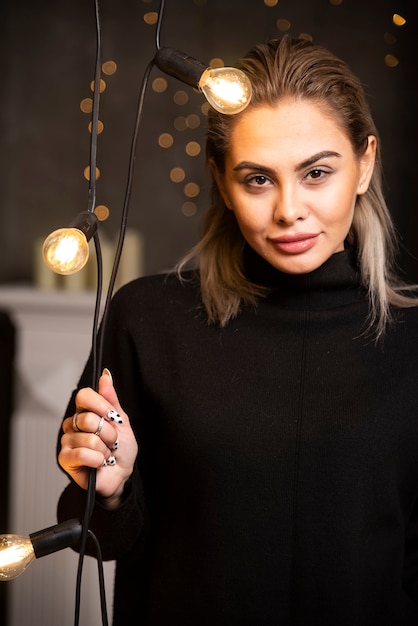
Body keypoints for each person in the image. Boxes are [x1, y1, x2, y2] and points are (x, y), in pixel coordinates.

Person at [57, 35, 418, 625]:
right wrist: (112, 490)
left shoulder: (411, 338)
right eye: (257, 179)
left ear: (366, 163)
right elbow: (100, 538)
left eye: (316, 173)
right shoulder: (148, 319)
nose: (288, 210)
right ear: (223, 183)